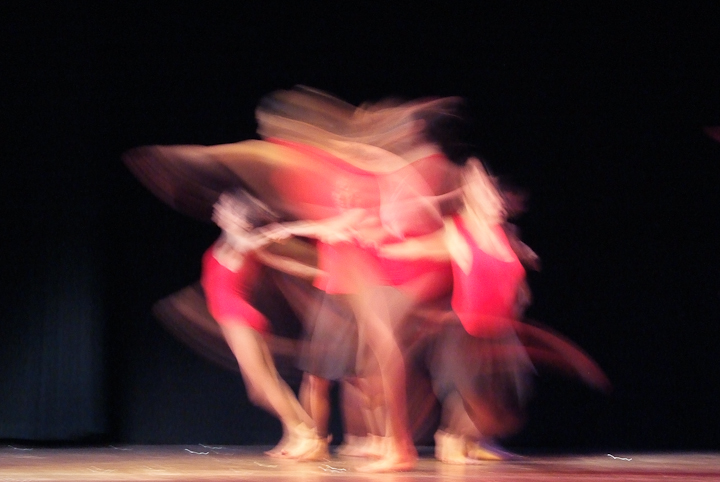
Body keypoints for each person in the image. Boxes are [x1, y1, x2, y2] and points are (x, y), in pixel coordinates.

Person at [200, 190, 320, 459]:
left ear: (241, 219)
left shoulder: (244, 242)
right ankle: (299, 433)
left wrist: (270, 232)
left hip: (238, 318)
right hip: (233, 319)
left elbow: (256, 244)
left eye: (226, 206)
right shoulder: (230, 243)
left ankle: (307, 435)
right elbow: (283, 263)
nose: (219, 207)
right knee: (260, 391)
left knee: (266, 384)